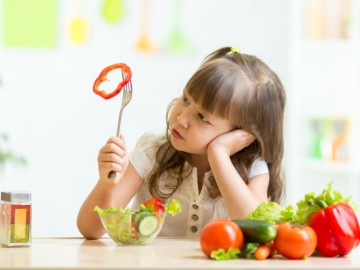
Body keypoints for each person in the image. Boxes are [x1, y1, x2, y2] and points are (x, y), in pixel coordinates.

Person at [77, 46, 286, 239]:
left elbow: (259, 233)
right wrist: (106, 186)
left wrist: (218, 153)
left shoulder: (253, 168)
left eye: (203, 117)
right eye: (186, 99)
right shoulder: (152, 151)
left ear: (243, 134)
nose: (181, 119)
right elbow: (91, 229)